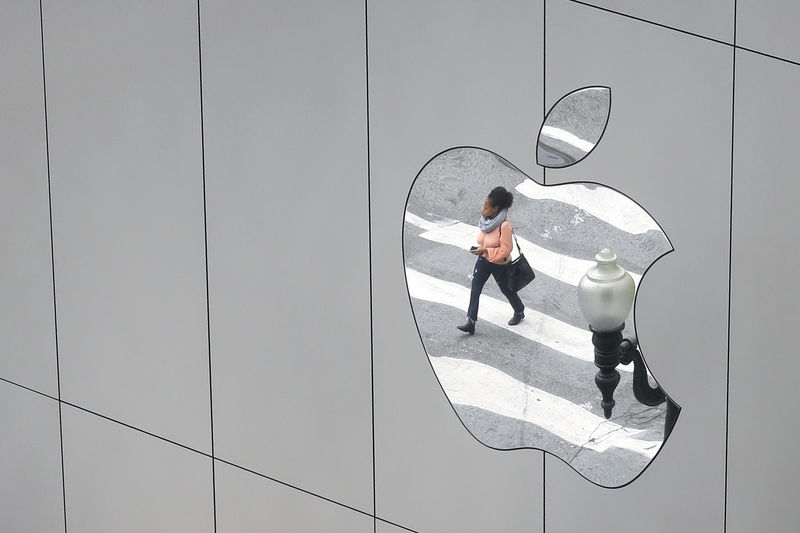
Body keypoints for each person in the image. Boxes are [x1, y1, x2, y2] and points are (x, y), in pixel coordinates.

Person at [457, 186, 525, 335]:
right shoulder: (486, 222)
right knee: (475, 290)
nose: (483, 211)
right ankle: (471, 321)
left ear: (497, 208)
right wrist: (481, 249)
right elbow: (485, 240)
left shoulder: (504, 226)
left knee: (506, 289)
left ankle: (519, 311)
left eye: (486, 208)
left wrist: (486, 250)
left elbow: (505, 249)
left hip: (500, 264)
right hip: (483, 261)